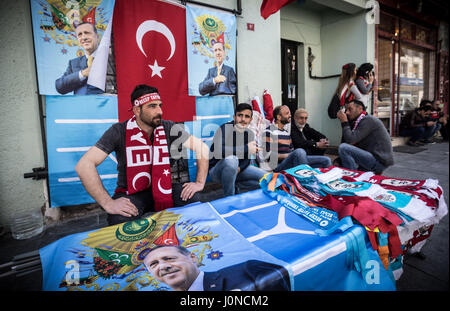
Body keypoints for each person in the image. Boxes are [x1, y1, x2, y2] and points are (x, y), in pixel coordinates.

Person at [75, 84, 209, 226]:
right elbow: (84, 165)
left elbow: (202, 148)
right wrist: (108, 203)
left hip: (163, 187)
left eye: (160, 105)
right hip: (132, 193)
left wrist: (199, 183)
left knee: (195, 199)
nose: (159, 111)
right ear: (137, 110)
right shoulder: (119, 131)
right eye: (152, 106)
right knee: (119, 221)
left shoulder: (168, 127)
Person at [143, 245, 291, 291]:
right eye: (153, 264)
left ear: (193, 258)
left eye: (169, 258)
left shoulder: (248, 270)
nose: (163, 266)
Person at [209, 103, 267, 197]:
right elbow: (218, 150)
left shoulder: (249, 134)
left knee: (265, 178)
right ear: (234, 117)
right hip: (217, 171)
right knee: (232, 160)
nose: (243, 119)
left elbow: (247, 160)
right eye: (240, 115)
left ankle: (235, 185)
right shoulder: (224, 128)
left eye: (247, 116)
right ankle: (229, 197)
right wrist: (246, 148)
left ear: (250, 120)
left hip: (237, 170)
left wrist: (239, 168)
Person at [264, 105, 331, 172]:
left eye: (290, 113)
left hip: (292, 162)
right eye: (287, 113)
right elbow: (269, 156)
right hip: (278, 166)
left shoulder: (286, 132)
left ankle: (311, 174)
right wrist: (290, 155)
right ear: (279, 117)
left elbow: (291, 150)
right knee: (300, 152)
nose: (290, 116)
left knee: (326, 160)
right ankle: (306, 176)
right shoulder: (270, 131)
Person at [337, 99, 393, 174]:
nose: (347, 112)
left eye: (350, 109)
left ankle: (352, 176)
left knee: (343, 148)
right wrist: (338, 160)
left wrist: (344, 122)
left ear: (360, 108)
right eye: (346, 110)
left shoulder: (368, 120)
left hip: (379, 161)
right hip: (371, 156)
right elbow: (347, 140)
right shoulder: (357, 121)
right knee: (344, 149)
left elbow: (350, 140)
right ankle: (360, 174)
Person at [55, 22, 104, 95]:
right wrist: (82, 74)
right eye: (80, 34)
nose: (84, 38)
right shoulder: (73, 63)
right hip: (80, 105)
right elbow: (59, 86)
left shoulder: (109, 58)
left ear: (97, 36)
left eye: (87, 33)